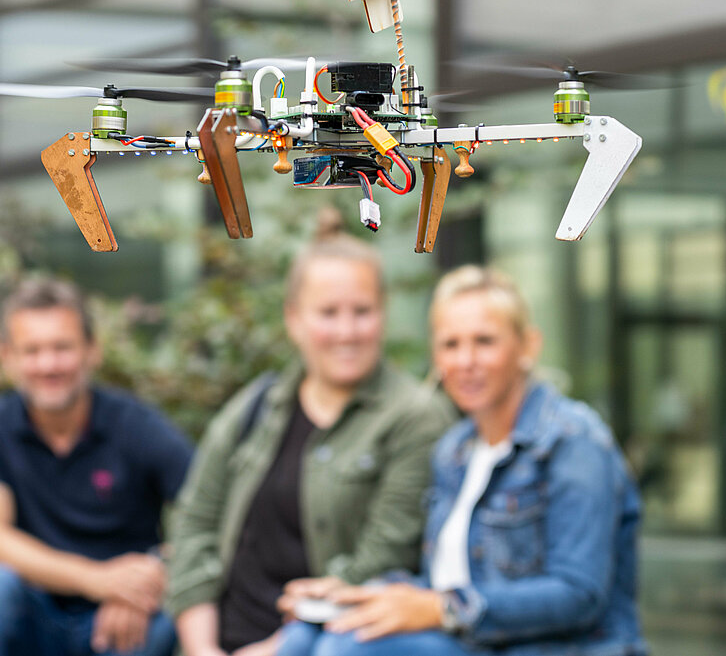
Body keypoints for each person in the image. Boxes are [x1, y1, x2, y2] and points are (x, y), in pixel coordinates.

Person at [274, 265, 647, 656]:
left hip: (548, 647)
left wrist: (440, 607)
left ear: (527, 346)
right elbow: (450, 578)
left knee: (345, 649)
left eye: (484, 342)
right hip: (470, 641)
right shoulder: (456, 449)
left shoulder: (573, 441)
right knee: (303, 635)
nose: (466, 361)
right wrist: (359, 594)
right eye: (450, 345)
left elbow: (578, 594)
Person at [166, 231, 454, 656]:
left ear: (384, 315)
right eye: (328, 313)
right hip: (218, 639)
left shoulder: (416, 418)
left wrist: (277, 650)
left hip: (321, 643)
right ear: (294, 318)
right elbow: (194, 525)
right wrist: (201, 647)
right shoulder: (258, 405)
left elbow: (380, 563)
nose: (346, 331)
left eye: (362, 311)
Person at [0, 276, 195, 656]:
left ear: (93, 350)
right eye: (32, 351)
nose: (48, 365)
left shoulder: (136, 425)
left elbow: (216, 513)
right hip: (30, 614)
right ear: (6, 356)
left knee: (169, 614)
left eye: (62, 348)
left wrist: (151, 577)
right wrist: (96, 579)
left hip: (118, 622)